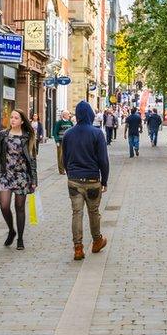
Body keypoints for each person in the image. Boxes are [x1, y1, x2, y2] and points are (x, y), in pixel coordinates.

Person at [62, 101, 109, 261]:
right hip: (92, 179)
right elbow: (103, 159)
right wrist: (105, 180)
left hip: (74, 180)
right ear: (90, 114)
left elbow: (65, 158)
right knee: (93, 212)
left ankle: (78, 248)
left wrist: (70, 174)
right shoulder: (97, 133)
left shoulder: (68, 133)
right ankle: (97, 241)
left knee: (77, 213)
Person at [0, 109, 38, 250]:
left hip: (21, 176)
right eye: (12, 117)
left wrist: (34, 179)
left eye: (16, 118)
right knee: (4, 205)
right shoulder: (2, 135)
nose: (13, 120)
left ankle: (20, 238)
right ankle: (11, 230)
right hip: (5, 175)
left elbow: (32, 160)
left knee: (20, 207)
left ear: (22, 121)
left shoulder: (28, 136)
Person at [53, 110, 74, 175]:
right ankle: (61, 170)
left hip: (68, 141)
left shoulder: (70, 122)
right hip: (60, 141)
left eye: (69, 115)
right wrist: (56, 141)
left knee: (68, 155)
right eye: (68, 115)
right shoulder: (59, 122)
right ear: (64, 115)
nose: (69, 116)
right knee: (60, 156)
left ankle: (67, 168)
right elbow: (55, 132)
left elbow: (73, 130)